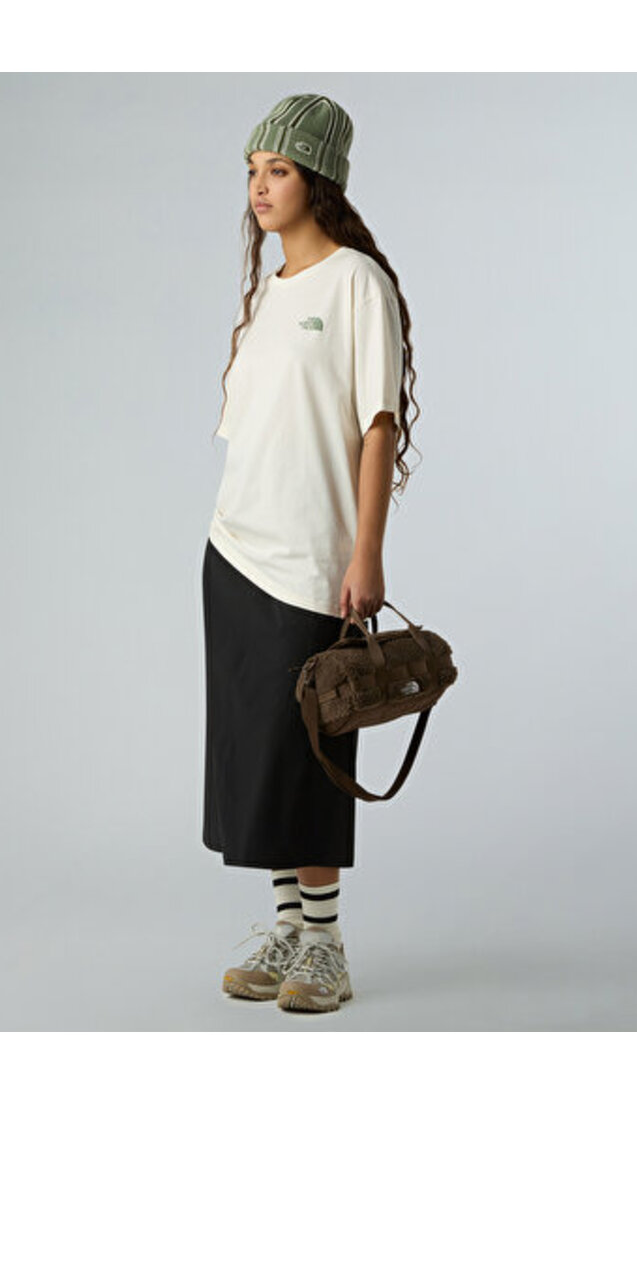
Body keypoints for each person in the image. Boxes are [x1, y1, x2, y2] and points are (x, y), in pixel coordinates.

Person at [201, 93, 420, 1013]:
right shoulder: (271, 295)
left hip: (313, 560)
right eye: (253, 171)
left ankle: (326, 945)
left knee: (312, 753)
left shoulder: (356, 284)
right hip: (235, 554)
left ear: (318, 179)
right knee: (259, 752)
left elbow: (378, 425)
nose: (260, 187)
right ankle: (289, 927)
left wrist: (366, 554)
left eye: (279, 170)